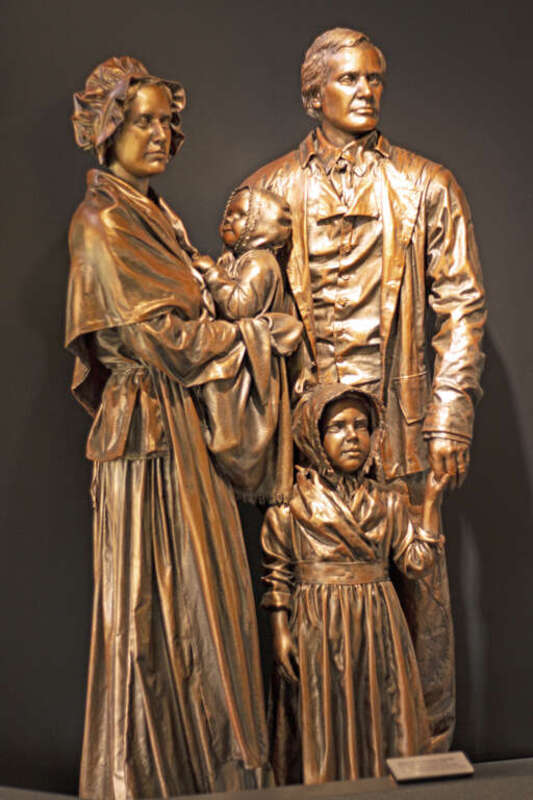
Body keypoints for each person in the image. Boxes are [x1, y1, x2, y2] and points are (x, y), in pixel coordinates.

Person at [238, 27, 486, 751]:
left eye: (374, 78)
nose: (367, 91)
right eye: (349, 78)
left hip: (401, 425)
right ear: (312, 93)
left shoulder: (426, 184)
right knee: (306, 601)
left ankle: (427, 754)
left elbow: (461, 303)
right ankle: (315, 760)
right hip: (304, 437)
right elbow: (240, 303)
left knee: (421, 596)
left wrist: (449, 414)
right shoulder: (268, 190)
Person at [67, 56, 298, 798]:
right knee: (155, 602)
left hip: (181, 425)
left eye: (168, 120)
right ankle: (145, 774)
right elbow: (161, 339)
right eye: (144, 121)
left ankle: (211, 770)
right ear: (109, 130)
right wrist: (258, 336)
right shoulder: (104, 222)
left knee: (206, 600)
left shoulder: (156, 215)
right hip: (147, 436)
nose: (161, 134)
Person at [261, 383, 449, 782]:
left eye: (361, 425)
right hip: (318, 625)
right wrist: (280, 630)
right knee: (322, 717)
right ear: (314, 435)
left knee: (379, 714)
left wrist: (432, 502)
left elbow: (416, 562)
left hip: (378, 624)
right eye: (338, 426)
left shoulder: (388, 502)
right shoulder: (291, 507)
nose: (352, 436)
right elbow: (276, 573)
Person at [193, 186, 299, 503]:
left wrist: (211, 273)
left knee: (241, 437)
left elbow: (240, 306)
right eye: (228, 213)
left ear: (260, 225)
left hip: (255, 368)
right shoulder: (234, 260)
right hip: (239, 361)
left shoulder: (260, 262)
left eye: (241, 216)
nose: (229, 220)